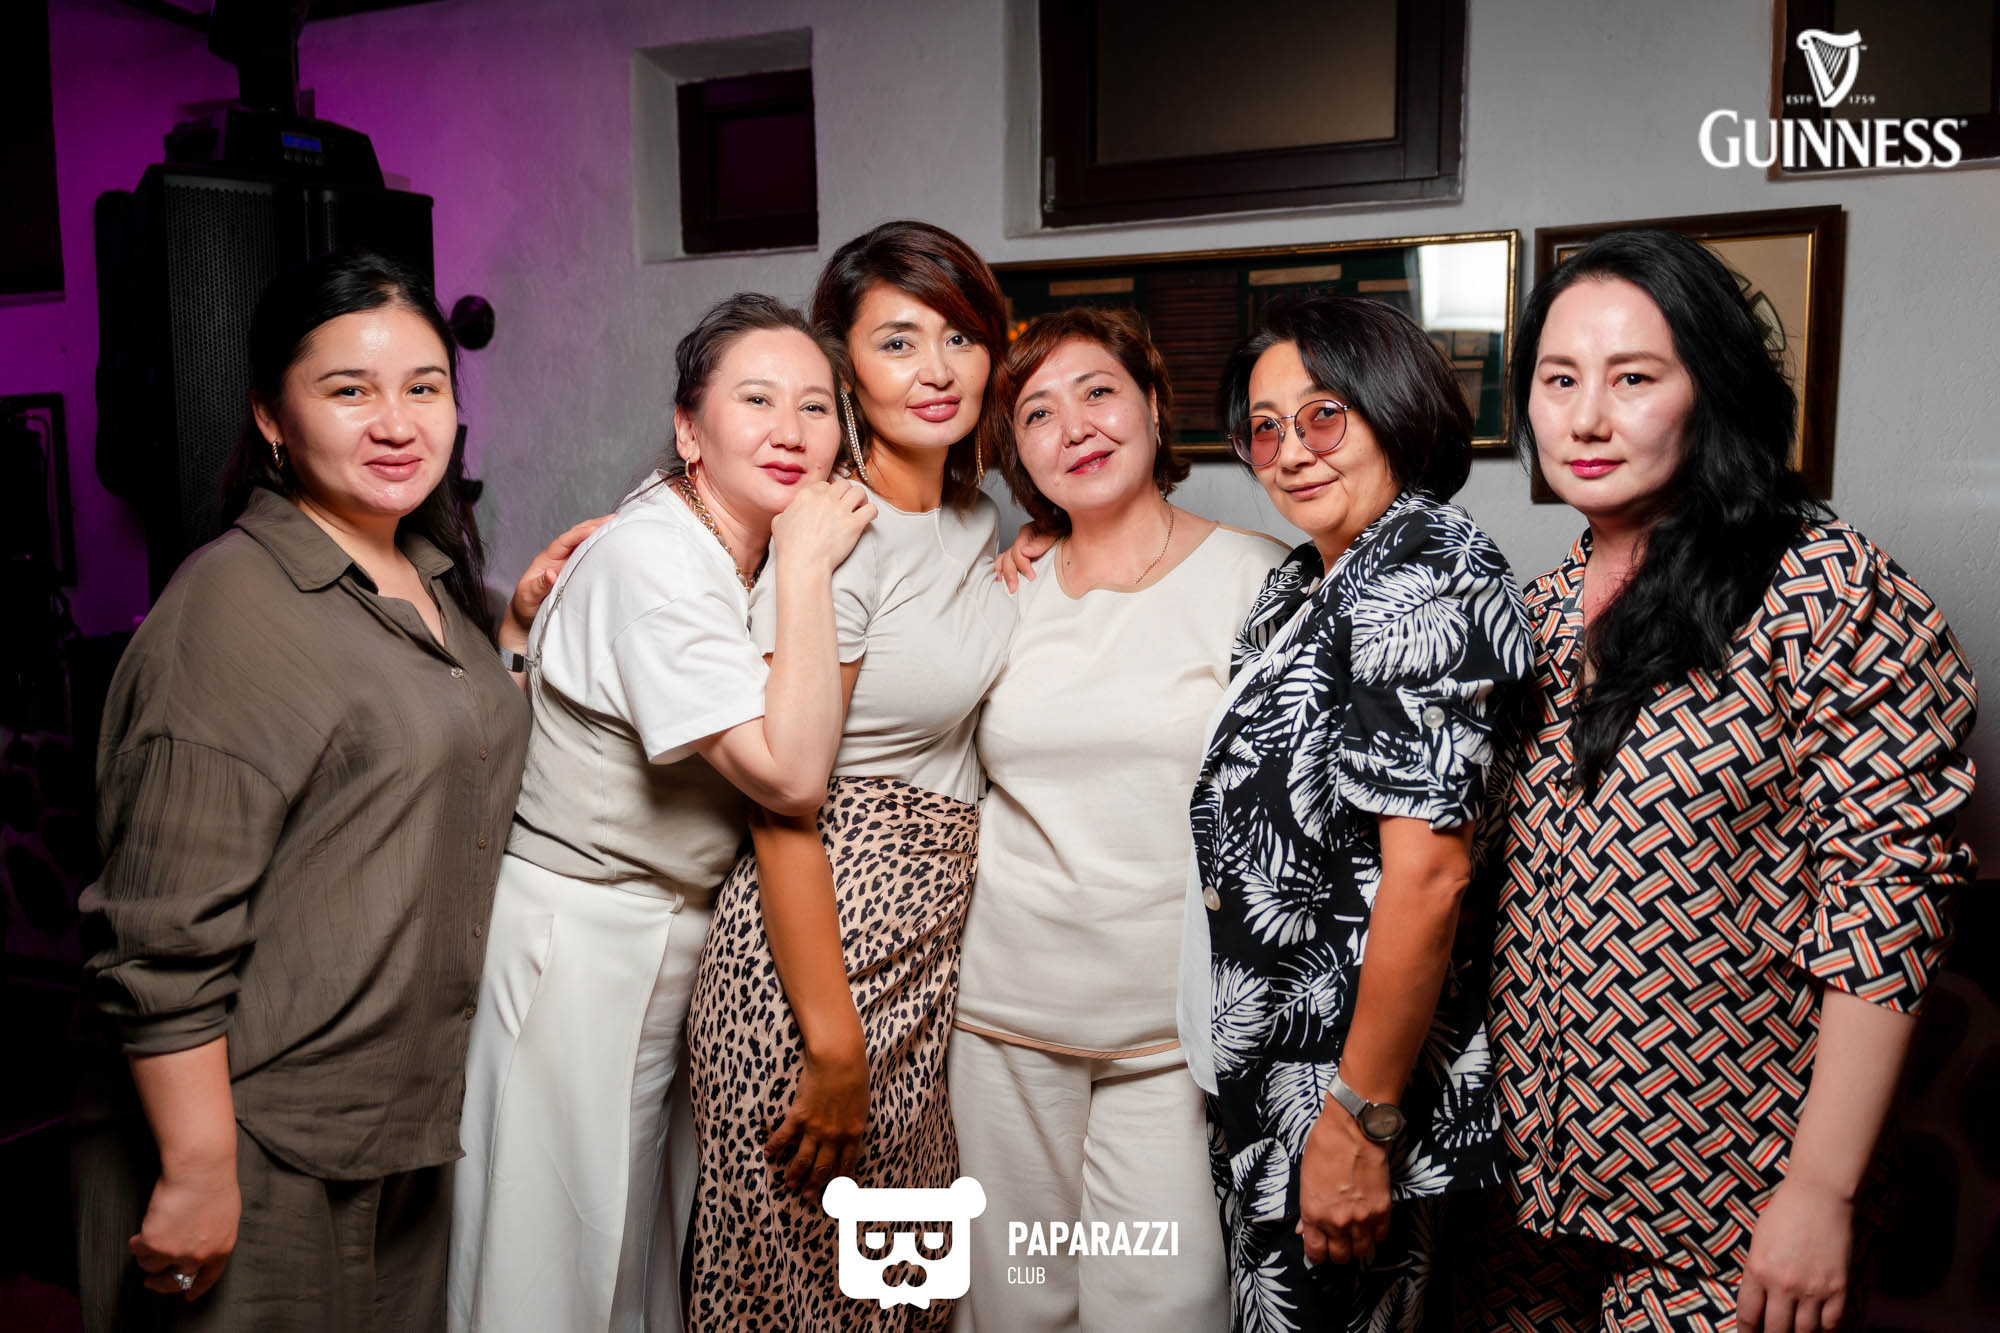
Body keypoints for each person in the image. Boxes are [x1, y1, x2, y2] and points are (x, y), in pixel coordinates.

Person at [1465, 228, 1978, 1333]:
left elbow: (1888, 898)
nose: (1585, 418)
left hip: (1728, 1206)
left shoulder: (1823, 591)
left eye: (1632, 378)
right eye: (1558, 380)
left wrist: (1819, 1191)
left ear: (1711, 390)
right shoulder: (1531, 611)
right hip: (1526, 1198)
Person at [71, 250, 588, 1332]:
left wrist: (510, 635)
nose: (396, 423)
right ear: (271, 415)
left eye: (424, 386)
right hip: (266, 1139)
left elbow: (417, 765)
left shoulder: (428, 578)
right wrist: (198, 1166)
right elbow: (159, 934)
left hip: (404, 1125)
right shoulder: (231, 608)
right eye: (349, 389)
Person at [447, 294, 874, 1333]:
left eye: (815, 406)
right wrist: (809, 564)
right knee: (554, 1261)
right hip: (585, 935)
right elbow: (789, 777)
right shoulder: (659, 558)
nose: (790, 429)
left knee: (625, 1249)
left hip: (641, 934)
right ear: (689, 429)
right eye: (756, 400)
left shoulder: (706, 540)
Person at [683, 221, 1015, 1331]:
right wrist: (832, 1044)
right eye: (897, 343)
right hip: (816, 961)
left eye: (960, 338)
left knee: (904, 1294)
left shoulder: (980, 519)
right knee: (795, 1301)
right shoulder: (833, 536)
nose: (936, 370)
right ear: (844, 369)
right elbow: (783, 804)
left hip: (926, 958)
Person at [1178, 294, 1532, 1332]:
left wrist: (1358, 1120)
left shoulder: (1424, 566)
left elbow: (1429, 871)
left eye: (1322, 415)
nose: (1290, 451)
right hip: (1269, 1083)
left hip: (1345, 1095)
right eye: (1264, 427)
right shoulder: (1303, 584)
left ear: (1393, 407)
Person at [945, 306, 1281, 1332]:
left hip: (1166, 1034)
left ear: (1152, 404)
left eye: (1097, 391)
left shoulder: (1260, 579)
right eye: (1037, 414)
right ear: (1017, 454)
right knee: (1018, 1303)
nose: (1075, 427)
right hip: (1004, 1017)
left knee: (1167, 1301)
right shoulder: (1001, 588)